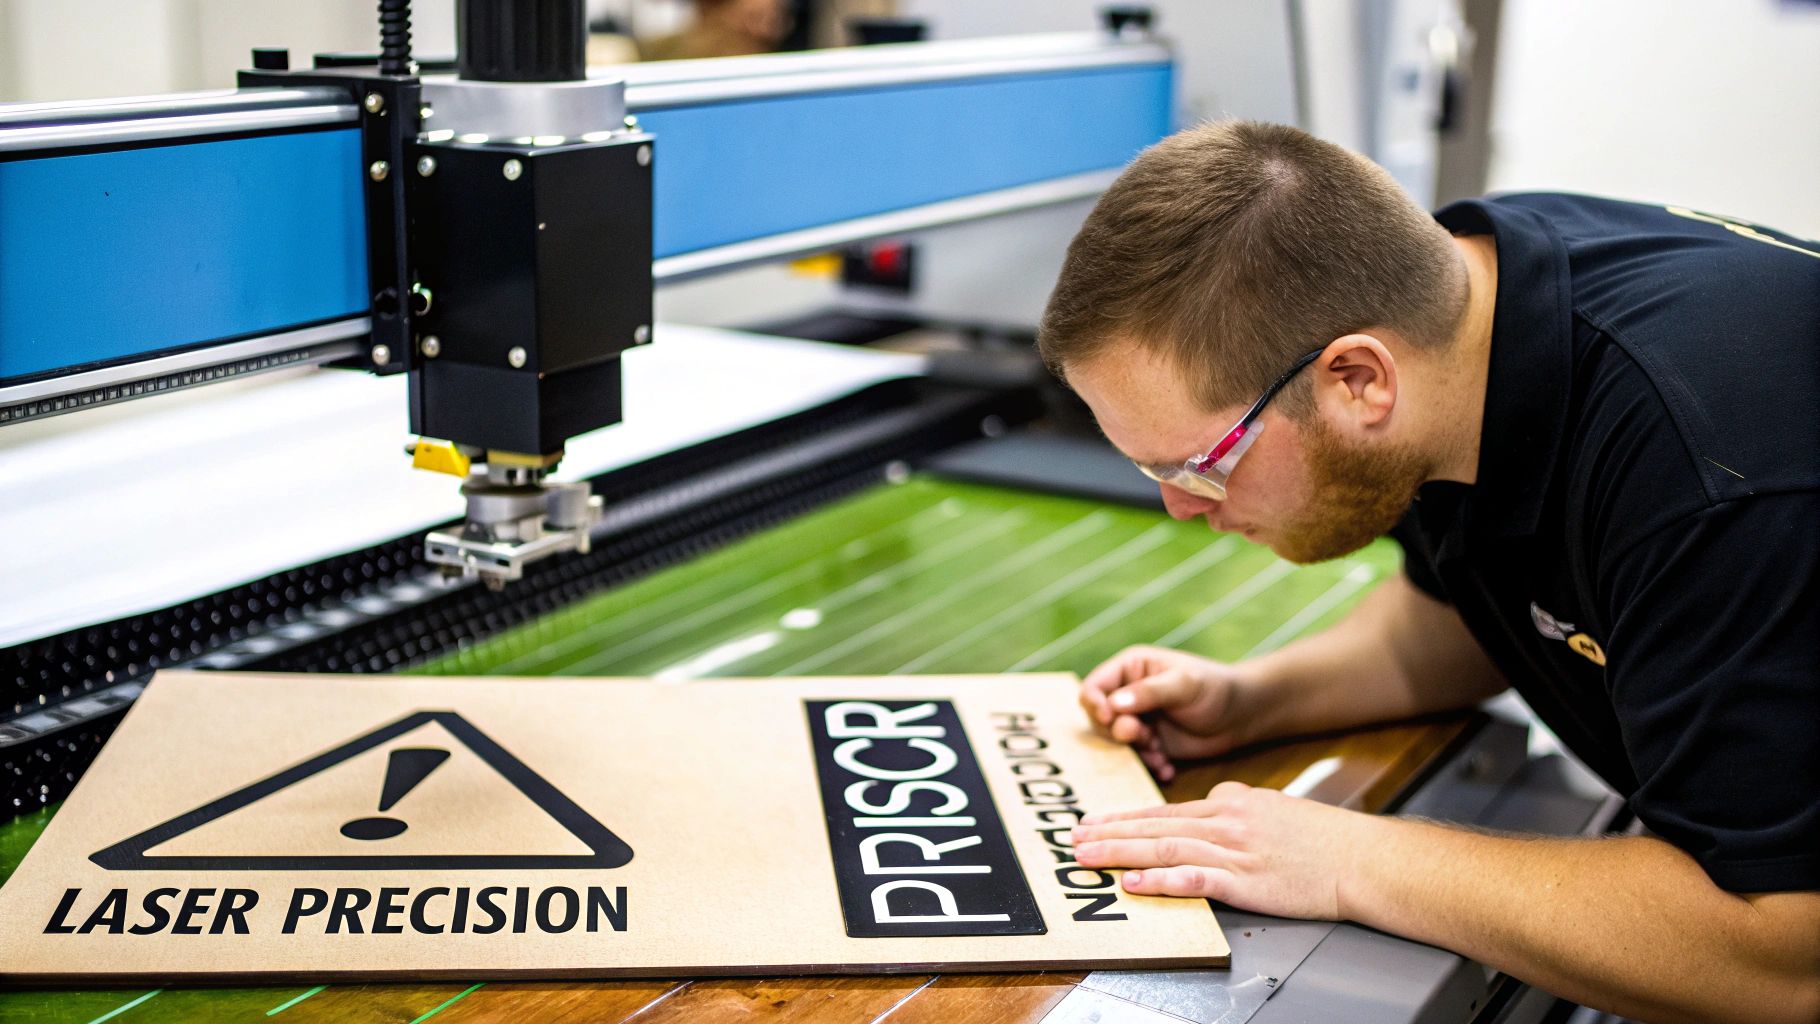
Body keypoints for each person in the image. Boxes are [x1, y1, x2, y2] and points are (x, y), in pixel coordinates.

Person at [1037, 120, 1819, 1023]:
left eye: (1197, 465)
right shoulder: (1466, 307)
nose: (1181, 507)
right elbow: (1483, 606)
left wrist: (1344, 858)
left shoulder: (1710, 483)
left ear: (1359, 380)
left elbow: (1783, 954)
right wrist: (1256, 698)